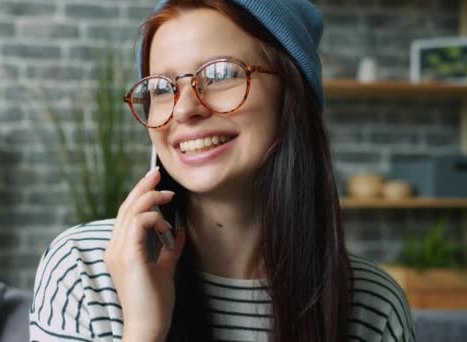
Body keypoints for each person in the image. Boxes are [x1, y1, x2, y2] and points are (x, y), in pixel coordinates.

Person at [29, 0, 415, 341]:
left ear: (291, 94)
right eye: (162, 88)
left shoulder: (373, 306)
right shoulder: (84, 270)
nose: (183, 109)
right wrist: (144, 331)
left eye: (219, 74)